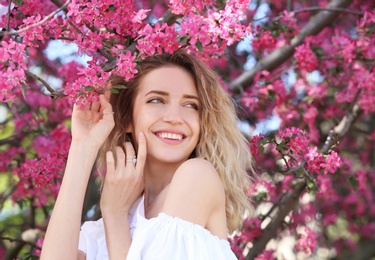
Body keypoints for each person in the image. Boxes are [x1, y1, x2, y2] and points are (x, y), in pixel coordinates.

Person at [40, 51, 253, 260]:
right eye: (156, 100)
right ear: (127, 119)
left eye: (190, 105)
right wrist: (82, 147)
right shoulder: (99, 232)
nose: (175, 117)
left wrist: (115, 216)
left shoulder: (198, 177)